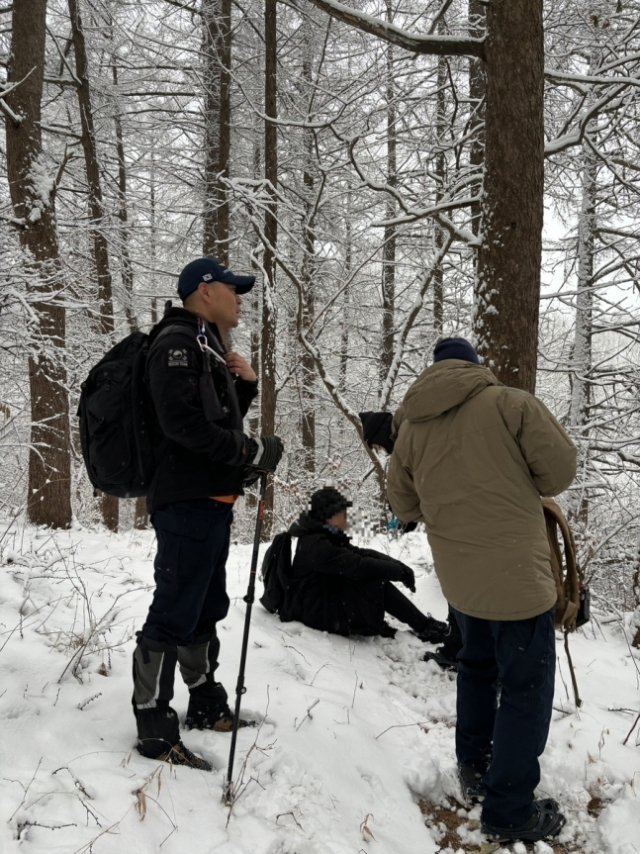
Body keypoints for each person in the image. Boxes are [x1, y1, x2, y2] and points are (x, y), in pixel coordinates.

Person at [387, 337, 577, 843]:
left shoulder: (409, 429)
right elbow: (558, 472)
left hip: (460, 578)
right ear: (475, 367)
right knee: (525, 690)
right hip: (517, 577)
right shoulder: (511, 404)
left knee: (475, 667)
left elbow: (404, 506)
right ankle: (509, 810)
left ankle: (475, 768)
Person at [132, 257, 284, 770]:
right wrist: (249, 453)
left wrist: (242, 387)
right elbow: (183, 428)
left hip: (210, 503)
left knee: (203, 605)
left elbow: (212, 419)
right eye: (231, 289)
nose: (239, 298)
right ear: (203, 291)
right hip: (186, 502)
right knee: (175, 606)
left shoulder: (204, 345)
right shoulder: (177, 344)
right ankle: (152, 724)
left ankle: (204, 703)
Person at [276, 486, 449, 642]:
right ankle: (423, 627)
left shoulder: (321, 535)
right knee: (374, 582)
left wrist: (398, 566)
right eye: (342, 513)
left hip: (320, 602)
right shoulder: (317, 546)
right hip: (315, 613)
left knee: (367, 577)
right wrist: (398, 572)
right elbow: (359, 565)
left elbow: (359, 552)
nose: (346, 518)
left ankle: (387, 622)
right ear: (327, 515)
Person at [359, 411, 463, 670]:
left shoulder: (409, 441)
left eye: (379, 446)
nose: (383, 451)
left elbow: (405, 503)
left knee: (460, 588)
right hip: (460, 522)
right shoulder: (422, 430)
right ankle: (458, 645)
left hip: (454, 527)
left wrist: (413, 513)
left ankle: (459, 649)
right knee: (463, 589)